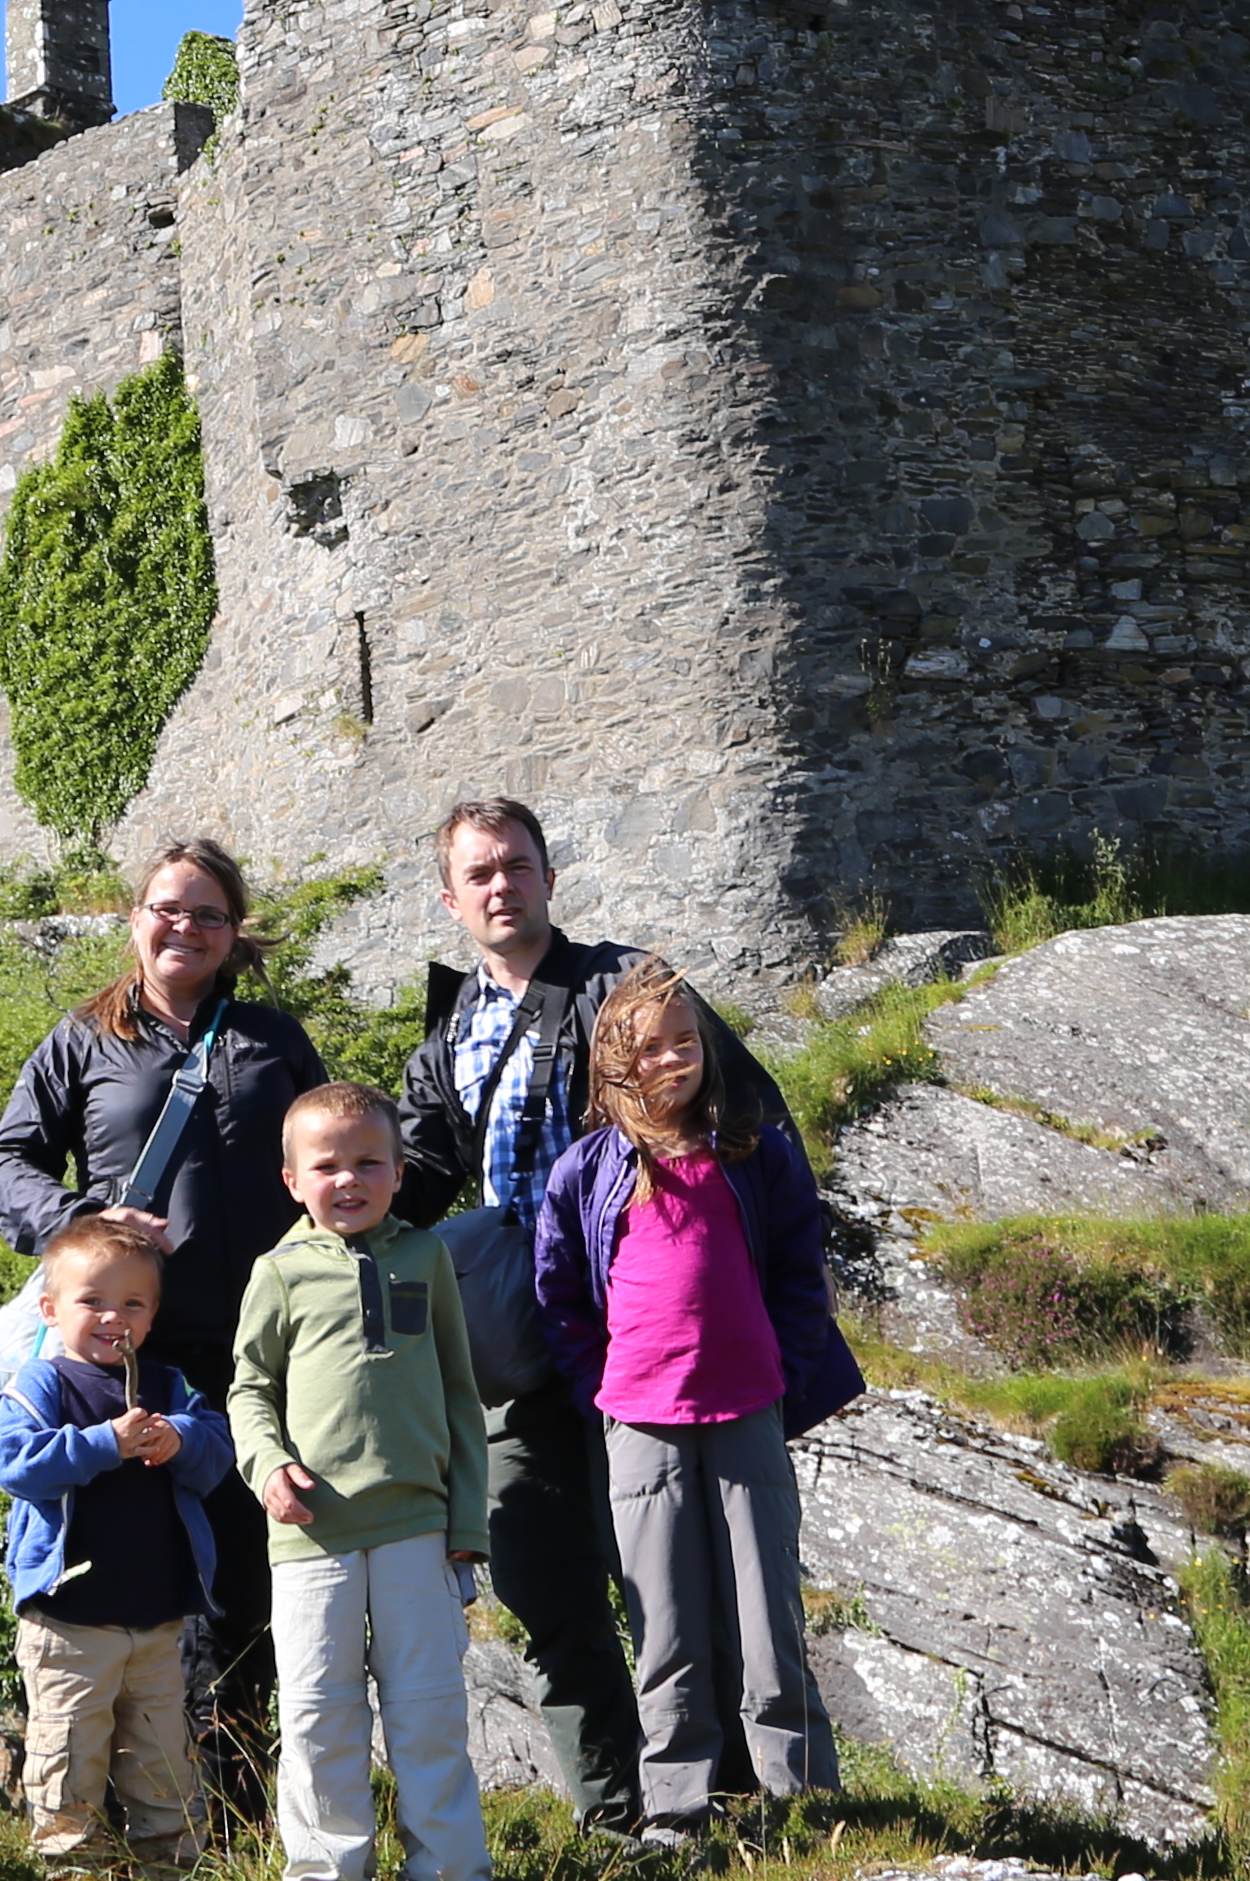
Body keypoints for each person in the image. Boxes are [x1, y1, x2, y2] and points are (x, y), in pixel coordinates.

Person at [387, 796, 761, 1834]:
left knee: (670, 1587)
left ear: (551, 875)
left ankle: (717, 1806)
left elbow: (745, 1116)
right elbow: (417, 1172)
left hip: (638, 1337)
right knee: (546, 1589)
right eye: (480, 874)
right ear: (452, 898)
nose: (501, 885)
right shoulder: (453, 1024)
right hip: (518, 1345)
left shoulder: (627, 988)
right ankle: (614, 1818)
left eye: (517, 864)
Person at [0, 834, 327, 1735]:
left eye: (208, 914)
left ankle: (239, 1827)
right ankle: (140, 1835)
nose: (186, 928)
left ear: (233, 934)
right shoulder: (84, 1040)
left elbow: (331, 1176)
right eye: (168, 909)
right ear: (135, 920)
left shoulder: (274, 1041)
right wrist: (82, 1222)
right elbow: (4, 1168)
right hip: (134, 1368)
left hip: (263, 1357)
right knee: (142, 1600)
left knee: (250, 1592)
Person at [527, 958, 860, 1838]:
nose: (672, 1061)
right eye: (649, 1049)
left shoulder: (754, 1156)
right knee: (663, 1621)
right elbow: (558, 1290)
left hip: (750, 1409)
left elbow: (799, 1270)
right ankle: (677, 1802)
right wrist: (597, 1383)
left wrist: (783, 1366)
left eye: (687, 1044)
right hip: (638, 1421)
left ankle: (798, 1802)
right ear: (612, 1065)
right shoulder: (586, 1169)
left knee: (768, 1610)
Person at [221, 1084, 493, 1881]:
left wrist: (467, 1525)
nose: (349, 1180)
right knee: (317, 1717)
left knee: (430, 1716)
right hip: (310, 1536)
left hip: (420, 1530)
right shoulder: (278, 1272)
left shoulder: (428, 1255)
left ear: (400, 1171)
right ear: (292, 1181)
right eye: (327, 1166)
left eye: (368, 1162)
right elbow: (247, 1390)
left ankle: (448, 1868)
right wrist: (267, 1466)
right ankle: (325, 1869)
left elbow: (458, 1394)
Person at [0, 1219, 241, 1873]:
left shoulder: (170, 1387)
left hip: (156, 1627)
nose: (111, 1317)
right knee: (67, 1776)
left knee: (165, 1781)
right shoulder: (42, 1383)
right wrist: (105, 1443)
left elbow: (217, 1458)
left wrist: (178, 1439)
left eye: (132, 1304)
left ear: (153, 1315)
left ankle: (171, 1867)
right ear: (50, 1308)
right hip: (70, 1628)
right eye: (91, 1300)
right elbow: (12, 1464)